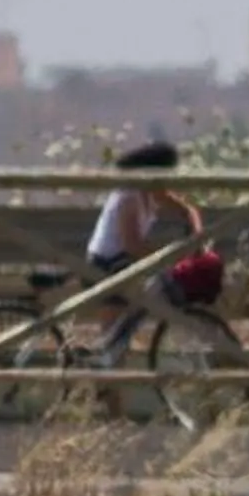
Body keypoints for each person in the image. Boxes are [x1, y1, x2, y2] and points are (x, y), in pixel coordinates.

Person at [87, 140, 211, 347]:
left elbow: (187, 210)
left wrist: (197, 234)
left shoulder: (152, 191)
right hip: (107, 265)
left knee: (120, 336)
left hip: (124, 263)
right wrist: (167, 257)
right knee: (110, 344)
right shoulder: (129, 196)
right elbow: (132, 244)